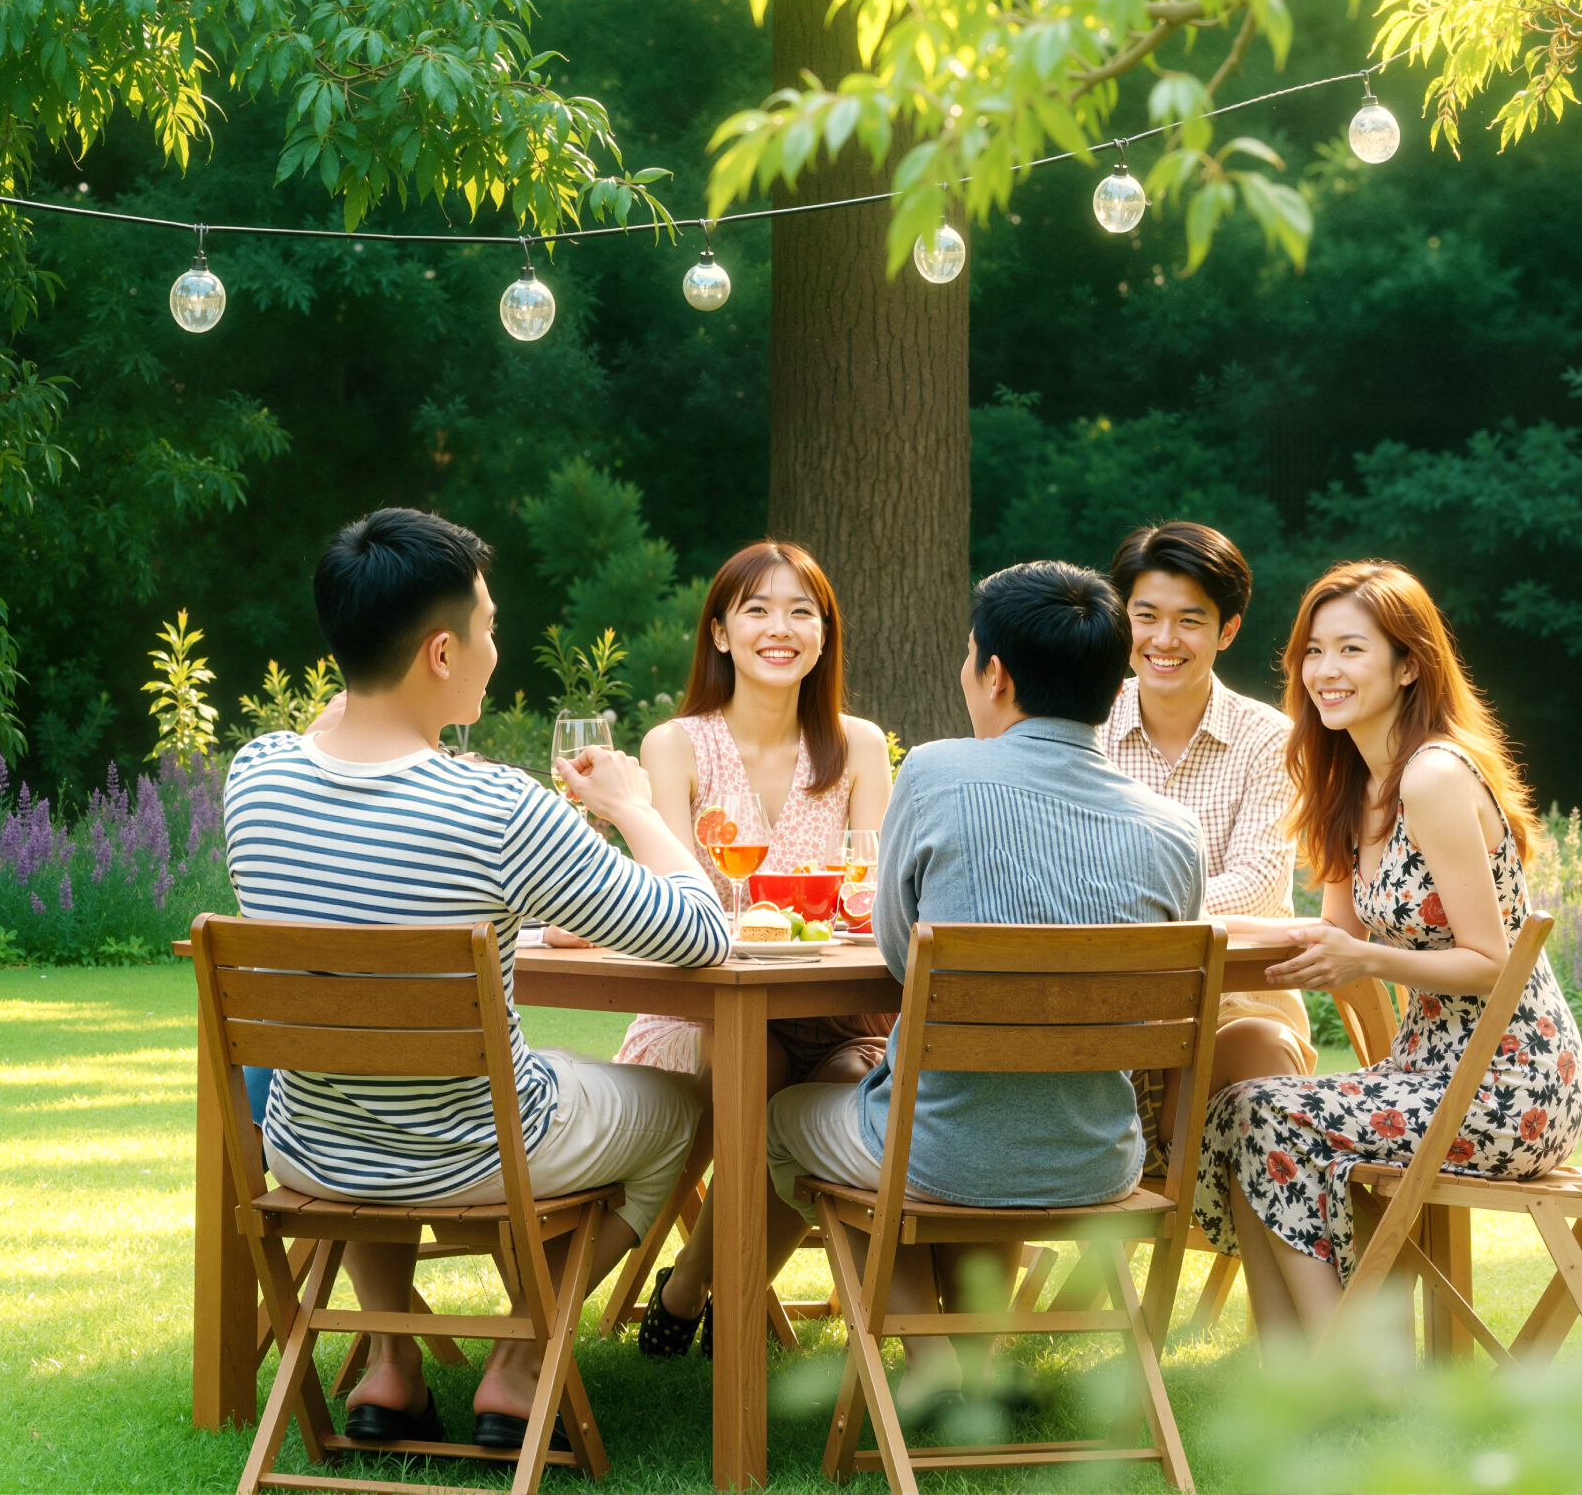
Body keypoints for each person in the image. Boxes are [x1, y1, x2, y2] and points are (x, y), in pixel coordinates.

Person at [223, 508, 729, 1448]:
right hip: (478, 1155)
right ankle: (527, 1353)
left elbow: (330, 743)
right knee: (688, 1109)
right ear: (442, 654)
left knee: (370, 1088)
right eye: (489, 628)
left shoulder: (253, 778)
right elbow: (699, 934)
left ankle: (389, 1358)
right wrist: (635, 809)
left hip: (310, 1149)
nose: (499, 648)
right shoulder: (495, 808)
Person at [763, 560, 1205, 1403]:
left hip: (936, 1152)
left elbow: (900, 961)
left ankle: (934, 1372)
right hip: (1100, 1162)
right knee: (890, 1097)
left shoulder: (933, 773)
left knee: (782, 1118)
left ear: (993, 673)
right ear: (1116, 689)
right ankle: (971, 1365)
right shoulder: (1173, 828)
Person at [1191, 561, 1582, 1347]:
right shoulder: (1350, 781)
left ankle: (1363, 1370)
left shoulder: (1433, 776)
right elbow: (1329, 931)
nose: (1324, 672)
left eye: (1350, 651)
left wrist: (1365, 962)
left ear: (1408, 665)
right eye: (1312, 651)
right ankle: (1296, 1372)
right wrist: (1194, 928)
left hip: (1510, 1082)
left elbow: (1489, 962)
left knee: (1266, 1111)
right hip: (1427, 1075)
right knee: (1242, 1107)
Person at [595, 541, 897, 1356]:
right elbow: (668, 901)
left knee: (839, 1086)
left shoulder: (858, 745)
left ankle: (695, 1284)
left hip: (834, 1011)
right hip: (698, 1009)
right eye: (757, 609)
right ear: (721, 633)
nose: (781, 627)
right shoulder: (676, 745)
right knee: (751, 1058)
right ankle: (711, 1290)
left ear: (825, 638)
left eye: (803, 611)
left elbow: (873, 889)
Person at [1097, 522, 1313, 1159]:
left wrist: (1132, 914)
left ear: (1227, 630)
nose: (1165, 640)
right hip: (1106, 1002)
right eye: (1146, 616)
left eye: (1190, 620)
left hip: (1233, 998)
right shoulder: (1086, 724)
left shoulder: (1269, 740)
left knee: (1260, 1049)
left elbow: (1257, 884)